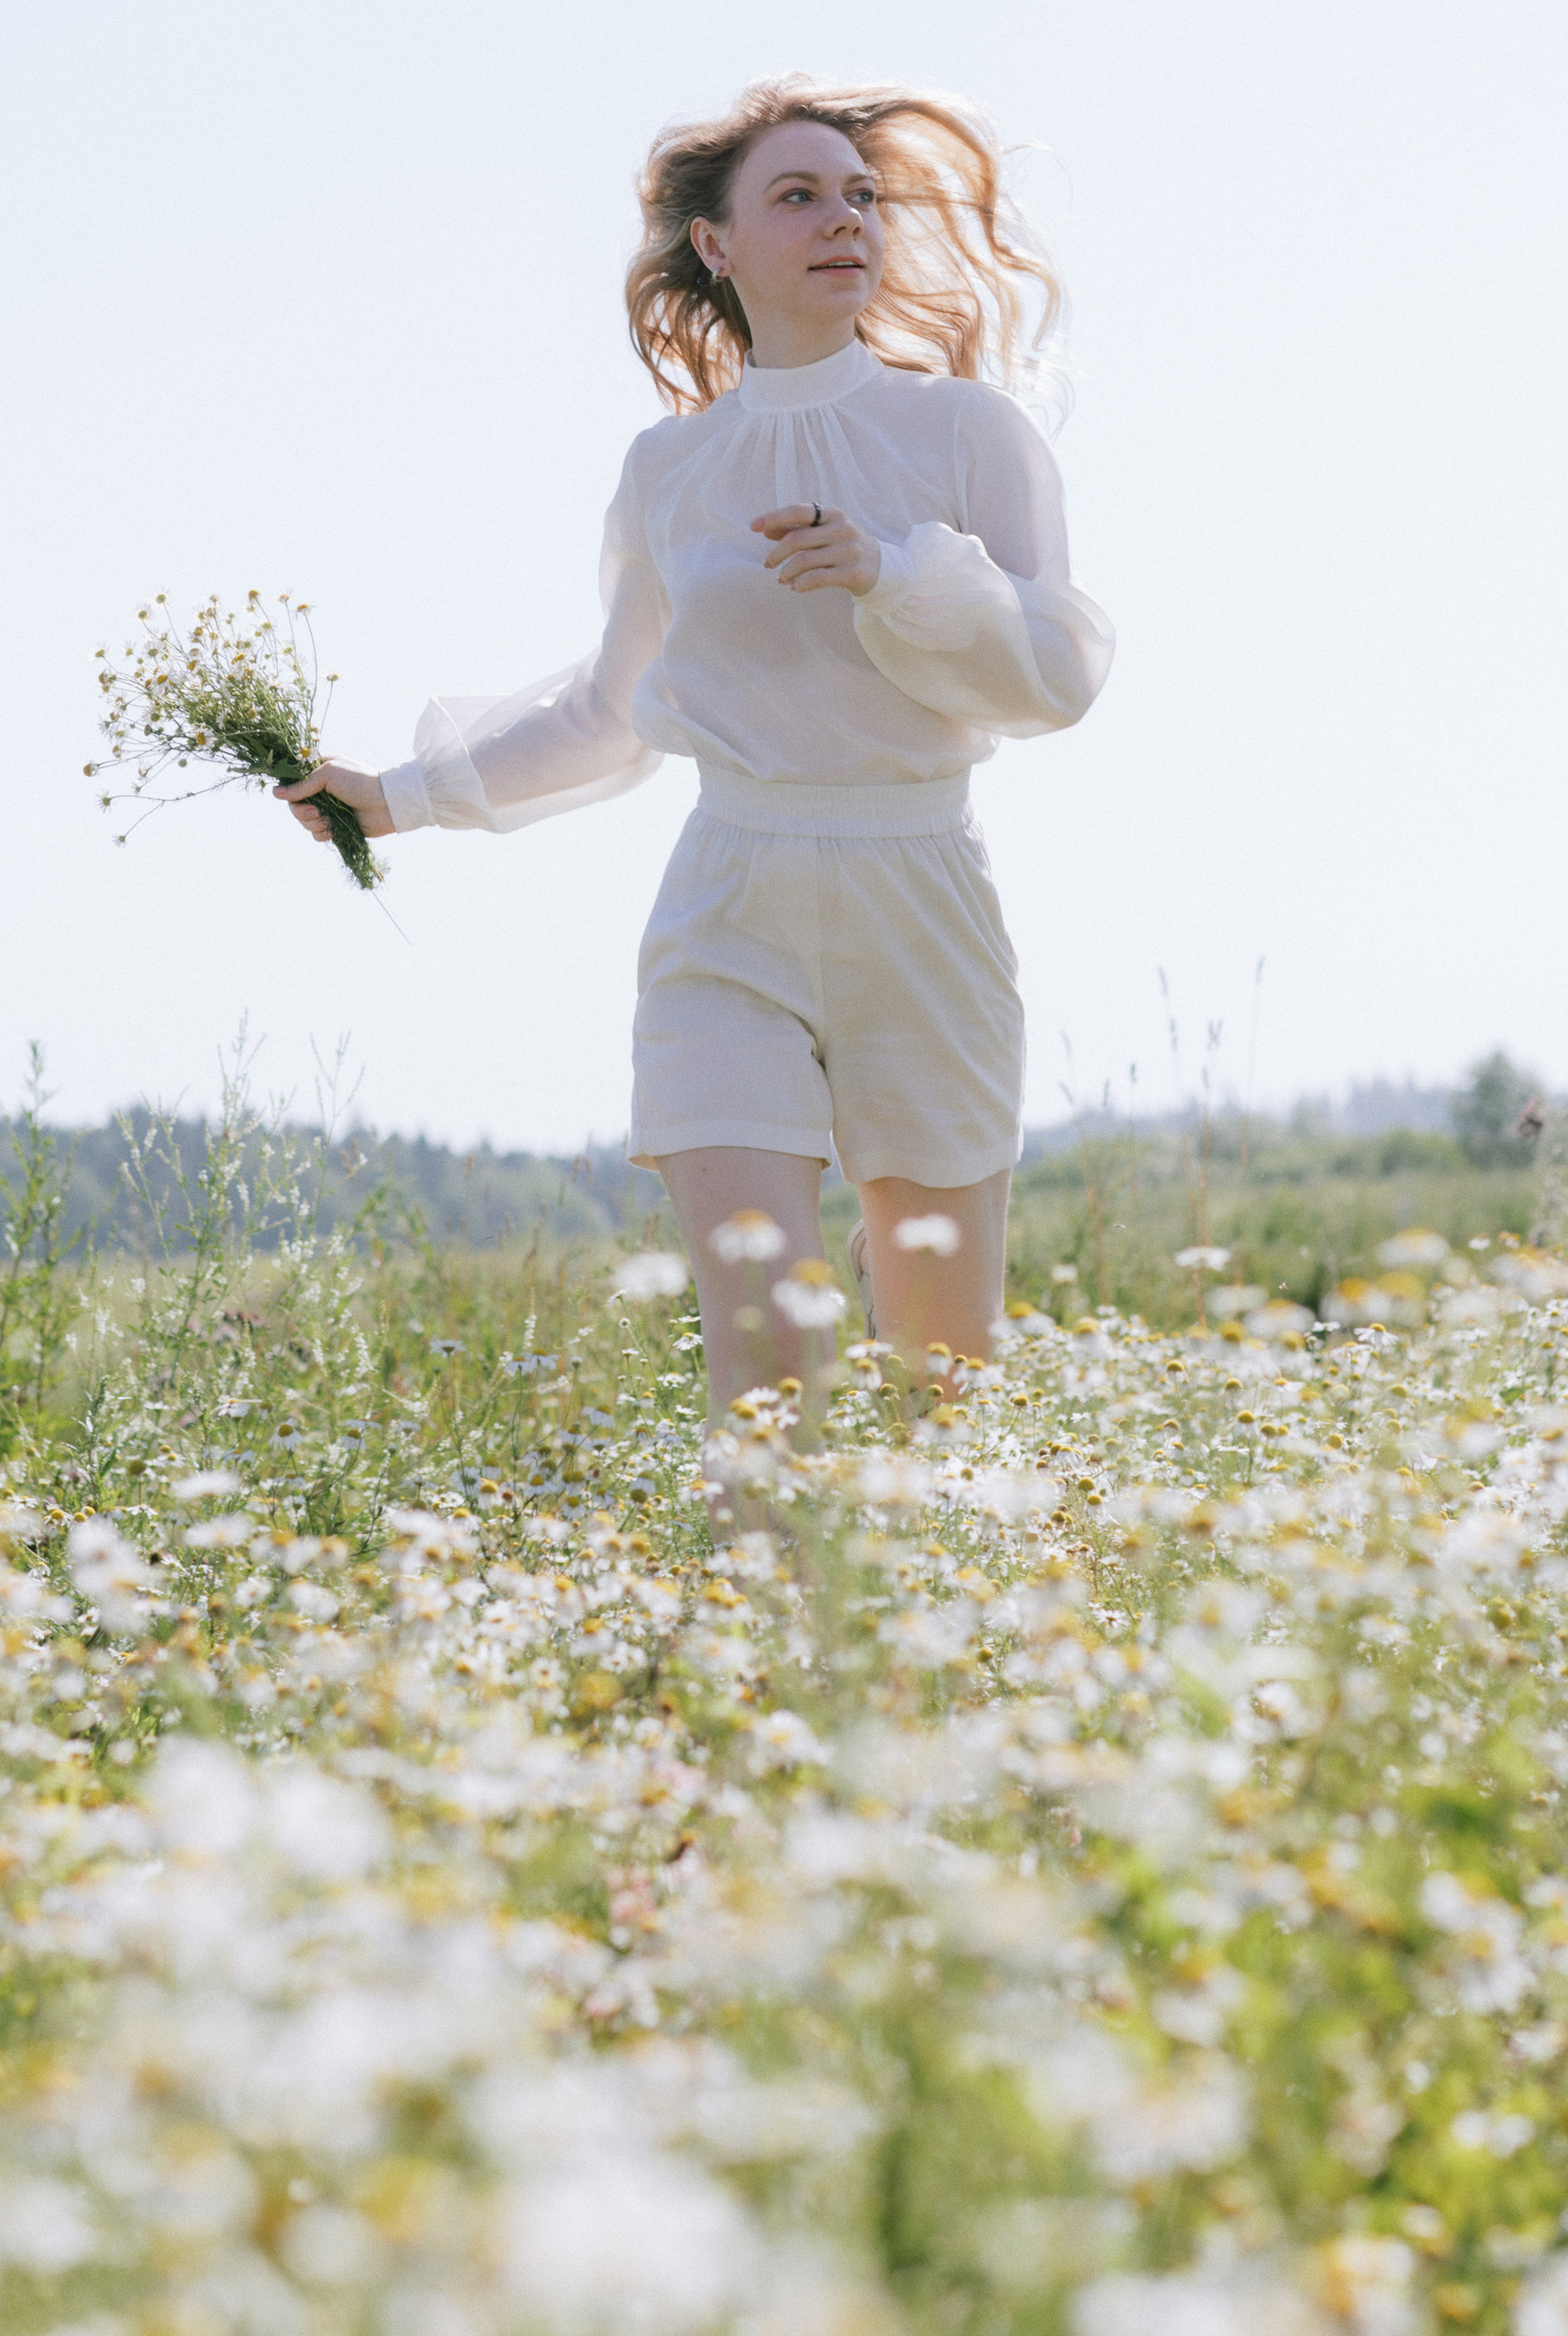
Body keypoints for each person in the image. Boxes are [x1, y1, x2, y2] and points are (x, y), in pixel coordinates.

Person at [279, 77, 1112, 1430]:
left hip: (921, 893)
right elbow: (615, 712)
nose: (842, 221)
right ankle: (774, 1641)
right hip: (731, 908)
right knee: (766, 1366)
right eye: (798, 197)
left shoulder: (966, 433)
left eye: (860, 197)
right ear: (717, 247)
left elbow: (1060, 673)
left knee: (944, 1385)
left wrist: (895, 573)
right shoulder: (669, 473)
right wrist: (398, 797)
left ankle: (922, 1613)